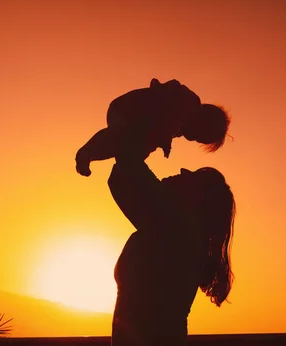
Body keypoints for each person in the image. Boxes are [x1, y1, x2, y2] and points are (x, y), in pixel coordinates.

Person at [107, 140, 236, 346]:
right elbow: (123, 177)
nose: (184, 171)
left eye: (192, 178)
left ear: (197, 199)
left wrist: (151, 133)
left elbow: (127, 172)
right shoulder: (176, 230)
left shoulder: (177, 227)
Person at [75, 78, 231, 177]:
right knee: (117, 134)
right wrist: (165, 139)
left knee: (125, 148)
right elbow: (170, 109)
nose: (190, 138)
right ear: (203, 118)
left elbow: (158, 133)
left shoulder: (180, 125)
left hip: (137, 123)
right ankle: (87, 152)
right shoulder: (188, 102)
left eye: (196, 139)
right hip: (127, 109)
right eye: (197, 134)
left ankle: (96, 157)